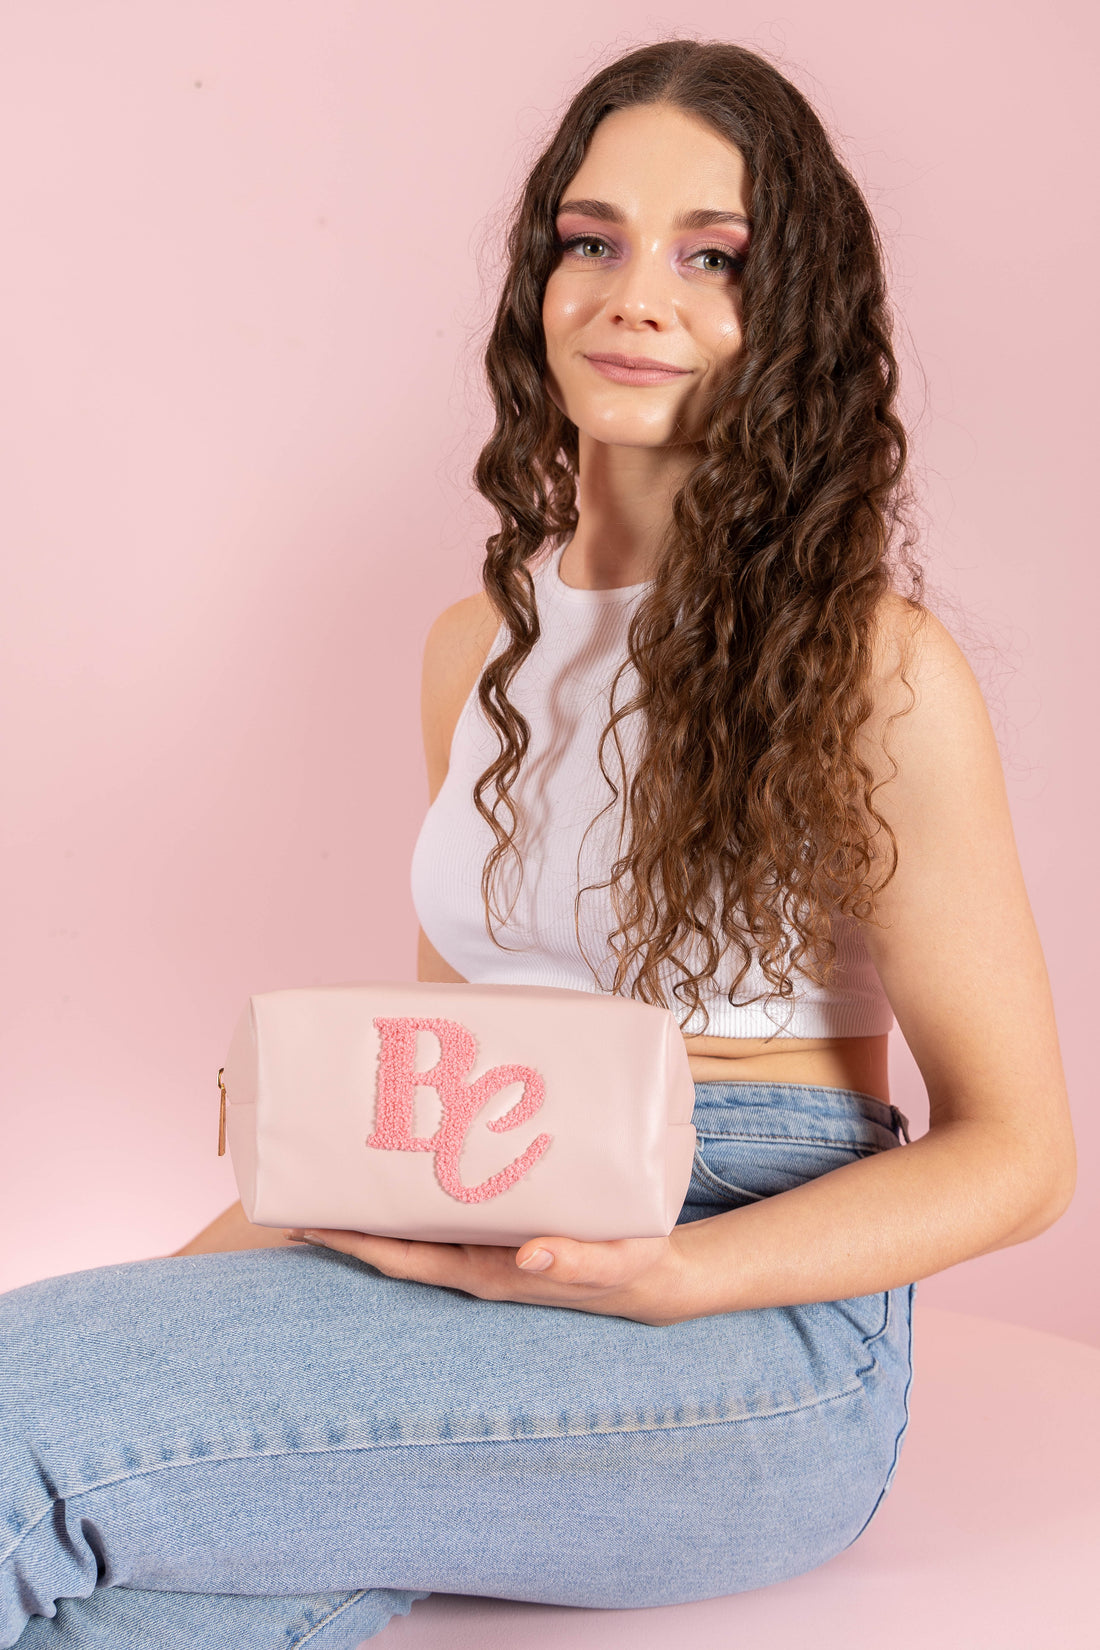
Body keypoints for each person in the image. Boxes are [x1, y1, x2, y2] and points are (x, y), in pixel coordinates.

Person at [0, 37, 1076, 1650]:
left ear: (790, 321)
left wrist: (668, 1280)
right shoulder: (471, 654)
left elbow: (1021, 1153)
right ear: (541, 281)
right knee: (90, 1540)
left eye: (712, 259)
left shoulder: (874, 668)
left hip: (760, 1325)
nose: (637, 295)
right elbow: (446, 1089)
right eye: (595, 240)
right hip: (479, 1237)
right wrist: (172, 1321)